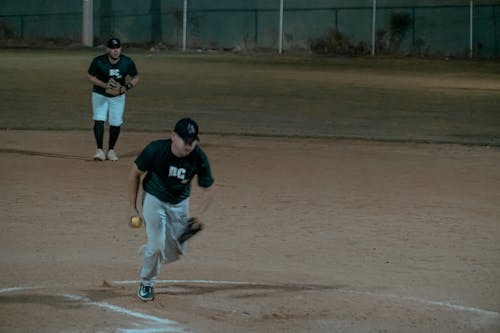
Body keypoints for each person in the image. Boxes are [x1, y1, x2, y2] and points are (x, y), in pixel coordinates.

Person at [128, 117, 216, 301]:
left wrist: (200, 215)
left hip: (179, 203)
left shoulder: (198, 157)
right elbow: (134, 174)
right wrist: (133, 208)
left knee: (175, 251)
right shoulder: (156, 149)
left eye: (192, 141)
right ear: (173, 136)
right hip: (154, 198)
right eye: (185, 140)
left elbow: (209, 188)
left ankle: (152, 251)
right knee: (157, 246)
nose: (189, 145)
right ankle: (147, 282)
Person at [87, 37, 140, 161]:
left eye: (118, 48)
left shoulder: (127, 61)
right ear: (107, 49)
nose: (115, 51)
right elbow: (90, 76)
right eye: (112, 48)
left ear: (121, 48)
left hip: (118, 96)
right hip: (99, 94)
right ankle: (99, 150)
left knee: (115, 122)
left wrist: (126, 87)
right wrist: (105, 86)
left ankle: (111, 150)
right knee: (99, 119)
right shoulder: (99, 61)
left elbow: (136, 77)